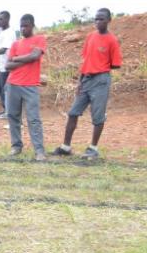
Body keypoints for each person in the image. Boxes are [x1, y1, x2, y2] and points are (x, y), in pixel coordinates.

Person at [51, 8, 123, 160]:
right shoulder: (90, 36)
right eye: (96, 19)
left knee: (98, 116)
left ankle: (93, 148)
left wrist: (101, 66)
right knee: (73, 113)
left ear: (109, 20)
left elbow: (116, 64)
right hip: (86, 80)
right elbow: (87, 60)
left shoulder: (112, 40)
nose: (98, 22)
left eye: (101, 19)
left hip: (101, 80)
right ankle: (66, 147)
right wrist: (80, 82)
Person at [5, 14, 48, 160]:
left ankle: (39, 150)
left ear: (32, 25)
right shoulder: (16, 44)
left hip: (30, 86)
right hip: (13, 85)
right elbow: (7, 65)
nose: (23, 29)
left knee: (33, 119)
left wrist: (16, 58)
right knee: (13, 116)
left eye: (26, 26)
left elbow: (35, 56)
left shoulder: (39, 39)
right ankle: (16, 146)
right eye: (21, 26)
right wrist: (26, 59)